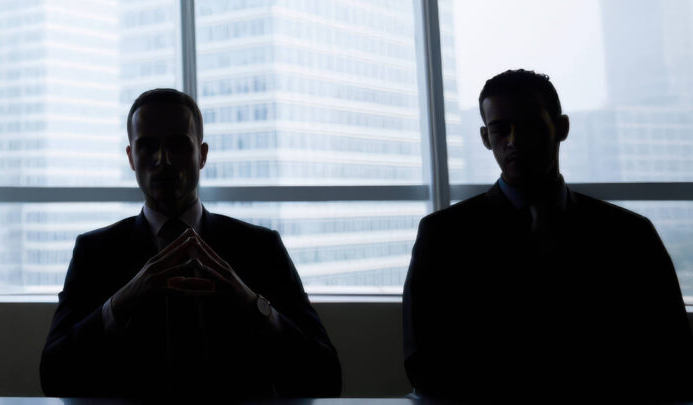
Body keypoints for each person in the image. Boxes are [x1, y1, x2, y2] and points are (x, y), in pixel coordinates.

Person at [402, 69, 693, 400]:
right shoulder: (443, 236)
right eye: (500, 129)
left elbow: (674, 354)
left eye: (529, 125)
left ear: (562, 128)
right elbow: (424, 364)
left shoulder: (630, 235)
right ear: (485, 138)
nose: (514, 140)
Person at [40, 88, 341, 400]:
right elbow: (53, 377)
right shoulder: (95, 253)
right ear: (131, 158)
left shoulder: (260, 248)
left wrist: (253, 305)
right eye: (147, 146)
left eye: (178, 144)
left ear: (203, 155)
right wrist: (120, 302)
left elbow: (327, 378)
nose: (163, 160)